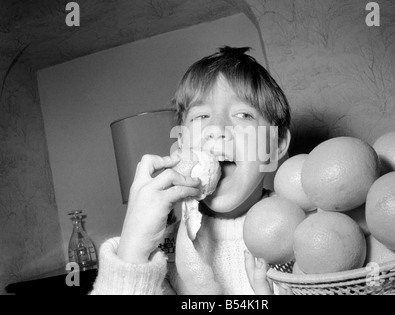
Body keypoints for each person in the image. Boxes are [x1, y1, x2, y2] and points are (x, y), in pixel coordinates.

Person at [91, 46, 291, 295]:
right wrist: (133, 249)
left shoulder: (305, 232)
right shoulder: (161, 254)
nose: (216, 128)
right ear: (182, 143)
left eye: (243, 114)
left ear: (276, 143)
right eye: (201, 116)